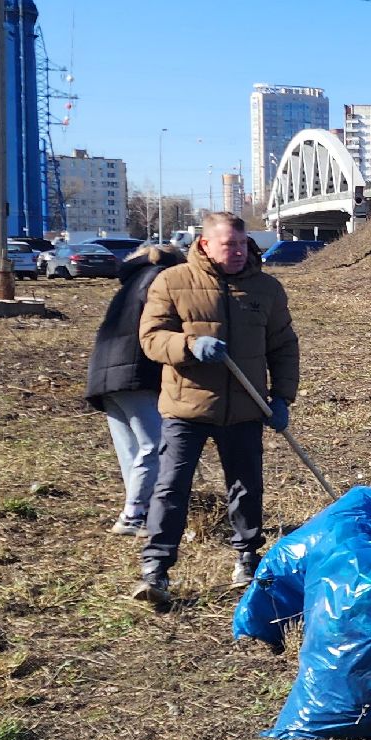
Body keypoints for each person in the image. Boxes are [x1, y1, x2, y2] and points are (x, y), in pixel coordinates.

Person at [134, 212, 300, 606]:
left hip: (245, 408)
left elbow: (283, 345)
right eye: (230, 245)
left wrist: (281, 398)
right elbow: (151, 339)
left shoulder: (266, 289)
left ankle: (246, 557)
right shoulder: (173, 283)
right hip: (185, 407)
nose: (240, 252)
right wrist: (189, 346)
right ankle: (156, 568)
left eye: (243, 245)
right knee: (172, 486)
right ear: (205, 244)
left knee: (245, 487)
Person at [84, 243, 184, 536]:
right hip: (134, 371)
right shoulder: (161, 278)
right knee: (154, 444)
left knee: (131, 449)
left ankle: (140, 512)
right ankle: (134, 515)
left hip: (104, 373)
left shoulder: (131, 281)